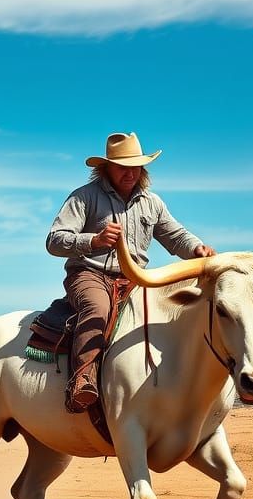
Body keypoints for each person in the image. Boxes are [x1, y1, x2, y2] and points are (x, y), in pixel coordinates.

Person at [45, 131, 216, 413]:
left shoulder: (152, 202)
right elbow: (54, 240)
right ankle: (82, 380)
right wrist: (94, 240)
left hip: (136, 279)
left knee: (177, 311)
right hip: (90, 274)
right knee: (98, 309)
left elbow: (175, 235)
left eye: (136, 167)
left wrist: (197, 248)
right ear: (106, 168)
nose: (130, 173)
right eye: (122, 167)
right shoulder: (84, 197)